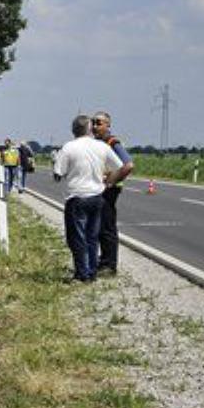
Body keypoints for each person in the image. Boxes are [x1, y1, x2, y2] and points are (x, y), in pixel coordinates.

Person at [53, 115, 126, 282]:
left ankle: (82, 274)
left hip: (77, 198)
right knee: (92, 237)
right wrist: (109, 181)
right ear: (89, 129)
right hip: (97, 198)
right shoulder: (101, 146)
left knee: (77, 238)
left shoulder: (68, 147)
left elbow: (58, 173)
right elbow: (120, 167)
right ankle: (92, 272)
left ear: (73, 130)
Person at [91, 111, 134, 276]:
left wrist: (111, 181)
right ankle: (104, 260)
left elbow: (128, 165)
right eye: (93, 123)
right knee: (99, 227)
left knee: (107, 227)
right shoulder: (96, 143)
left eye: (99, 123)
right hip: (99, 189)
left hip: (109, 191)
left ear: (108, 125)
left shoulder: (112, 142)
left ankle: (110, 265)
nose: (95, 126)